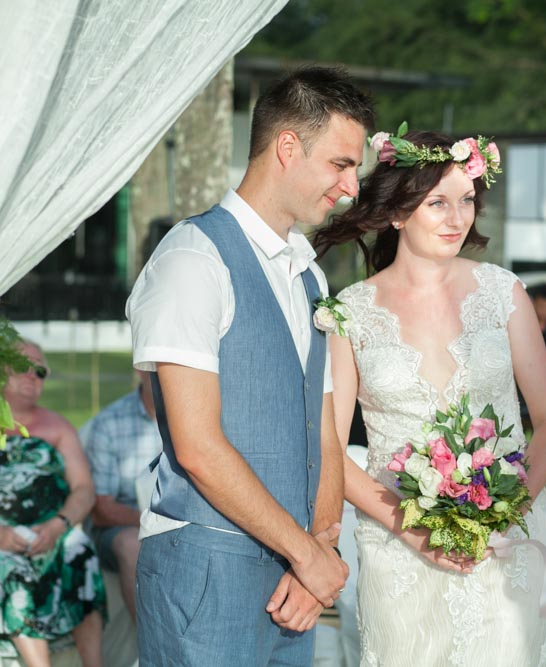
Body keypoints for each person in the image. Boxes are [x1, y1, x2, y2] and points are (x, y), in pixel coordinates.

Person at [125, 66, 373, 665]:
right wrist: (310, 556)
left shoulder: (310, 276)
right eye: (341, 164)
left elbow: (325, 431)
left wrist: (318, 551)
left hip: (294, 584)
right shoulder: (192, 260)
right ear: (288, 146)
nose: (352, 188)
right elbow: (198, 447)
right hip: (207, 577)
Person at [314, 128, 546, 666]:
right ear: (398, 214)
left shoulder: (505, 293)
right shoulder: (349, 312)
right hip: (398, 543)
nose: (458, 218)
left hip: (505, 540)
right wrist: (413, 531)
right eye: (438, 203)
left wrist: (504, 512)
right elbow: (329, 450)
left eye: (467, 200)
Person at [1, 340, 105, 667]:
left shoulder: (57, 426)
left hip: (53, 527)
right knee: (14, 575)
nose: (33, 376)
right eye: (23, 366)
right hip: (4, 536)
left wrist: (59, 524)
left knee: (80, 551)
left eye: (41, 371)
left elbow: (84, 489)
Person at [80, 370, 160, 623]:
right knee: (130, 545)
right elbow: (102, 510)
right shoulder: (109, 422)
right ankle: (152, 650)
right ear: (139, 369)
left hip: (179, 520)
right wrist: (157, 522)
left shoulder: (197, 416)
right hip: (123, 526)